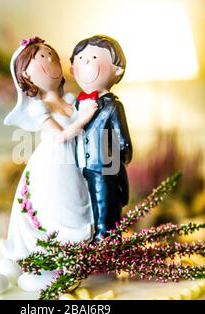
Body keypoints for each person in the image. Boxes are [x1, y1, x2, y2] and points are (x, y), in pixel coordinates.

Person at [0, 37, 97, 261]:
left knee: (82, 199)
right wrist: (85, 117)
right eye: (42, 57)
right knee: (64, 205)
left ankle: (82, 254)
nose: (51, 60)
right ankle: (61, 255)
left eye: (52, 55)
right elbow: (61, 135)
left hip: (77, 160)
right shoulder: (39, 107)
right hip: (55, 164)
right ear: (25, 75)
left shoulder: (71, 100)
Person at [70, 35, 133, 240]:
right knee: (84, 206)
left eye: (93, 57)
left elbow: (123, 141)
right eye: (80, 59)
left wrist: (113, 166)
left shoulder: (113, 106)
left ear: (117, 69)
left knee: (105, 206)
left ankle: (105, 243)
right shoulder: (75, 105)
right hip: (78, 165)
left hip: (104, 167)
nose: (85, 62)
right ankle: (87, 240)